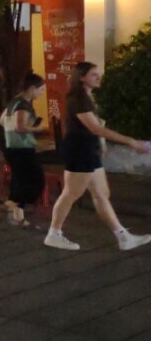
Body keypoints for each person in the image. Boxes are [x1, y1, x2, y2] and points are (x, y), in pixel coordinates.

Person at [45, 62, 151, 251]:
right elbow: (95, 128)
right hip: (80, 149)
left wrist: (100, 143)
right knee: (71, 193)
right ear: (82, 77)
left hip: (88, 148)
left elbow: (94, 127)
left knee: (102, 193)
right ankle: (54, 233)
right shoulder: (78, 98)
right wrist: (131, 141)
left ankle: (123, 236)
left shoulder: (87, 96)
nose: (98, 77)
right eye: (94, 74)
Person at [2, 73, 46, 227]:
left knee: (20, 180)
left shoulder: (13, 102)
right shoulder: (23, 104)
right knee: (37, 180)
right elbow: (19, 127)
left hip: (11, 146)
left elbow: (2, 121)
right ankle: (12, 203)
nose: (41, 93)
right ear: (32, 88)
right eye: (40, 90)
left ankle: (18, 217)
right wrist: (36, 128)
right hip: (21, 148)